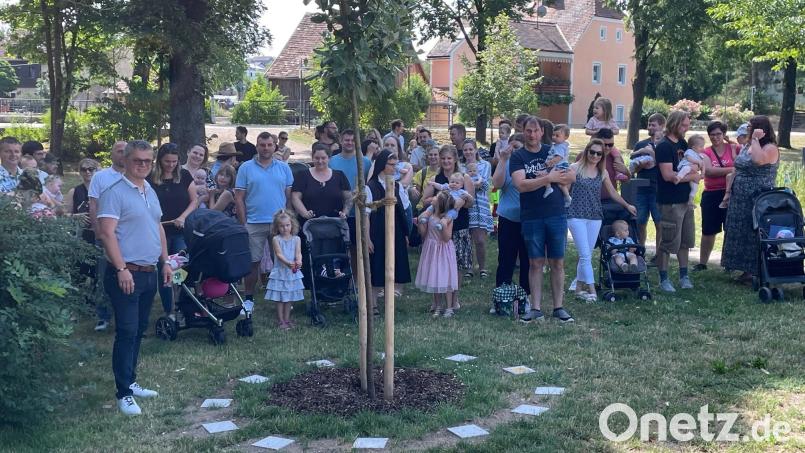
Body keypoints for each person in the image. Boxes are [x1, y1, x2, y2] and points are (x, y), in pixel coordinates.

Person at [97, 140, 171, 416]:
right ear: (125, 161)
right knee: (127, 331)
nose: (143, 165)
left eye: (147, 161)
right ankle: (123, 393)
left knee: (139, 330)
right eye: (138, 160)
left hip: (149, 271)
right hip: (125, 273)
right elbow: (106, 233)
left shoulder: (148, 189)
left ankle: (131, 380)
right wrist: (120, 268)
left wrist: (165, 261)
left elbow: (158, 227)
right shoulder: (114, 192)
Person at [510, 116, 576, 323]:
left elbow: (571, 176)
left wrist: (551, 178)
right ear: (523, 131)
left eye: (535, 131)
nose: (532, 135)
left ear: (541, 132)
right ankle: (536, 308)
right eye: (528, 131)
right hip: (532, 215)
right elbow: (521, 185)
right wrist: (548, 179)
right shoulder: (518, 156)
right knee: (535, 262)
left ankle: (558, 307)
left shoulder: (552, 149)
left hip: (556, 213)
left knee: (558, 261)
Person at [567, 139, 636, 301]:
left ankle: (578, 289)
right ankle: (592, 291)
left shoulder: (602, 172)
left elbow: (612, 193)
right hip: (576, 215)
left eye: (599, 153)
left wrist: (627, 206)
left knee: (587, 254)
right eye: (592, 152)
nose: (595, 156)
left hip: (595, 217)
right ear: (586, 151)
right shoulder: (574, 168)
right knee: (584, 256)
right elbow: (563, 187)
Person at [235, 132, 294, 312]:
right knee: (253, 262)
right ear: (257, 146)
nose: (266, 148)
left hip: (280, 223)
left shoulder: (284, 167)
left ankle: (283, 297)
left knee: (282, 261)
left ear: (274, 146)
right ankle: (249, 299)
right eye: (262, 145)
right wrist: (244, 223)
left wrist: (289, 221)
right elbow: (239, 198)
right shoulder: (245, 167)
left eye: (269, 145)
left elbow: (289, 197)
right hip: (254, 222)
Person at [721, 116, 779, 284]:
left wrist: (755, 139)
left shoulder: (770, 147)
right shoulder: (748, 145)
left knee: (753, 232)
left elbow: (758, 160)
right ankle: (742, 268)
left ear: (760, 129)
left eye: (750, 127)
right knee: (739, 231)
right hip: (740, 197)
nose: (747, 130)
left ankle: (755, 270)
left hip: (757, 197)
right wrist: (727, 192)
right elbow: (737, 167)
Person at [147, 143, 197, 316]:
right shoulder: (150, 179)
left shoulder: (183, 175)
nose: (171, 165)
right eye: (167, 161)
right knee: (164, 269)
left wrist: (183, 217)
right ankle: (169, 308)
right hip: (159, 231)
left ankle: (181, 302)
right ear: (160, 160)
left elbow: (194, 201)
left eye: (174, 161)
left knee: (181, 267)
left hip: (180, 231)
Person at [422, 145, 475, 305]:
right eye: (443, 158)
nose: (446, 161)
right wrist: (438, 200)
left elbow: (471, 201)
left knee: (456, 264)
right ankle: (436, 299)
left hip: (459, 225)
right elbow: (424, 200)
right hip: (437, 228)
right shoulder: (435, 179)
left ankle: (454, 299)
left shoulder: (464, 177)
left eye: (449, 158)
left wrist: (462, 201)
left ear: (455, 159)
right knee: (437, 263)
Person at [656, 110, 700, 292]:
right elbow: (667, 176)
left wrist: (692, 174)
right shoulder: (664, 146)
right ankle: (663, 279)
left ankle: (684, 276)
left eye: (688, 125)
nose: (686, 129)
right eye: (683, 125)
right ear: (674, 124)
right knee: (668, 241)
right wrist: (694, 175)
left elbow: (692, 167)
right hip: (670, 201)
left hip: (685, 201)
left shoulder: (683, 144)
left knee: (685, 240)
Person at [87, 140, 127, 331]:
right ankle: (103, 316)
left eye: (125, 151)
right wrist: (98, 232)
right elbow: (93, 205)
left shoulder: (135, 176)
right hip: (106, 233)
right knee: (104, 276)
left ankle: (125, 316)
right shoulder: (100, 177)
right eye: (119, 151)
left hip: (128, 235)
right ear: (111, 154)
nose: (122, 154)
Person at [364, 150, 411, 301]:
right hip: (377, 232)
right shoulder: (370, 187)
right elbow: (366, 214)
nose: (394, 168)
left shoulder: (396, 186)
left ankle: (389, 302)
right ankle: (374, 304)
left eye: (395, 165)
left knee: (394, 267)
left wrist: (404, 234)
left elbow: (403, 211)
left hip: (395, 231)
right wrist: (367, 238)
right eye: (391, 165)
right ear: (383, 165)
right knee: (376, 268)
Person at [491, 133, 531, 300]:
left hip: (528, 218)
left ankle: (526, 296)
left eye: (518, 148)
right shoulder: (506, 164)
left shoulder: (530, 165)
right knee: (506, 259)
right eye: (512, 147)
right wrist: (502, 160)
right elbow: (497, 184)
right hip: (508, 218)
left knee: (527, 260)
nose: (514, 151)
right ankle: (501, 296)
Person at [329, 129, 372, 270]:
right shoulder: (332, 162)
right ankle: (341, 278)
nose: (349, 143)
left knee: (356, 247)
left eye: (353, 140)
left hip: (359, 212)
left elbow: (369, 184)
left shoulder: (365, 162)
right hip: (338, 211)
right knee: (339, 248)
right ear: (341, 141)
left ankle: (356, 277)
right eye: (347, 140)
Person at [696, 121, 737, 270]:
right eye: (712, 135)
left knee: (730, 229)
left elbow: (746, 153)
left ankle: (729, 263)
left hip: (731, 193)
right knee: (708, 229)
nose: (715, 137)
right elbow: (709, 171)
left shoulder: (733, 148)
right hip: (712, 193)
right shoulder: (706, 152)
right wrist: (733, 169)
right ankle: (702, 262)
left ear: (724, 134)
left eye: (719, 134)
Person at [415, 191, 458, 317]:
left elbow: (446, 238)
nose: (433, 198)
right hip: (431, 249)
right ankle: (437, 305)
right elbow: (423, 234)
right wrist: (421, 223)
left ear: (440, 203)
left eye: (436, 197)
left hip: (443, 250)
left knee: (445, 277)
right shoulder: (430, 215)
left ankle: (449, 306)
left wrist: (444, 226)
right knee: (434, 277)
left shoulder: (447, 219)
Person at [65, 158, 101, 308]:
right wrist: (76, 216)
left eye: (91, 169)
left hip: (100, 234)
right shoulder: (74, 191)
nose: (87, 172)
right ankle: (77, 302)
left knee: (98, 270)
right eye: (84, 169)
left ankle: (95, 301)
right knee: (80, 270)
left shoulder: (102, 190)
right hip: (82, 235)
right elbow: (64, 215)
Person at [630, 113, 666, 247]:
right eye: (649, 124)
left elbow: (666, 165)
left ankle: (659, 255)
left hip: (658, 190)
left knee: (659, 222)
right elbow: (633, 169)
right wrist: (640, 166)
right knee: (640, 222)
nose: (650, 127)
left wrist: (653, 155)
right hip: (641, 189)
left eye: (653, 125)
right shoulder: (641, 144)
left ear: (662, 126)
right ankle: (641, 250)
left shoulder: (665, 144)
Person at [265, 210, 303, 330]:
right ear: (277, 227)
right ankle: (280, 320)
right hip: (280, 272)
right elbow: (279, 254)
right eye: (281, 226)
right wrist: (288, 263)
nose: (285, 228)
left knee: (289, 297)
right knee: (280, 298)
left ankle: (287, 319)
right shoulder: (276, 239)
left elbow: (298, 253)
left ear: (292, 225)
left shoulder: (296, 239)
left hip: (291, 272)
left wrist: (298, 261)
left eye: (287, 225)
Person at [461, 139, 493, 278]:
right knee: (466, 239)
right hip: (464, 205)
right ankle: (468, 268)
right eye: (465, 150)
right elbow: (457, 183)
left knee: (479, 240)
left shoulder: (485, 165)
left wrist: (467, 184)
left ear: (475, 150)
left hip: (480, 205)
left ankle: (482, 267)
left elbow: (484, 185)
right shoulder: (460, 166)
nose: (468, 152)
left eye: (470, 149)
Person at [544, 123, 572, 207]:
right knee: (561, 184)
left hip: (558, 166)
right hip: (559, 166)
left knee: (544, 175)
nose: (554, 137)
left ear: (565, 137)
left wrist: (549, 163)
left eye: (557, 135)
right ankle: (567, 197)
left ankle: (548, 188)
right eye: (553, 135)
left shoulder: (560, 146)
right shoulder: (558, 145)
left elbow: (558, 158)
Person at [674, 134, 706, 208]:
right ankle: (678, 177)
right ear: (694, 147)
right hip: (685, 167)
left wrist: (703, 173)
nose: (703, 148)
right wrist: (698, 162)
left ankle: (690, 200)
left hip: (693, 174)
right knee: (687, 168)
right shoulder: (689, 151)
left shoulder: (700, 155)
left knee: (695, 188)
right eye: (701, 146)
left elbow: (703, 164)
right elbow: (689, 159)